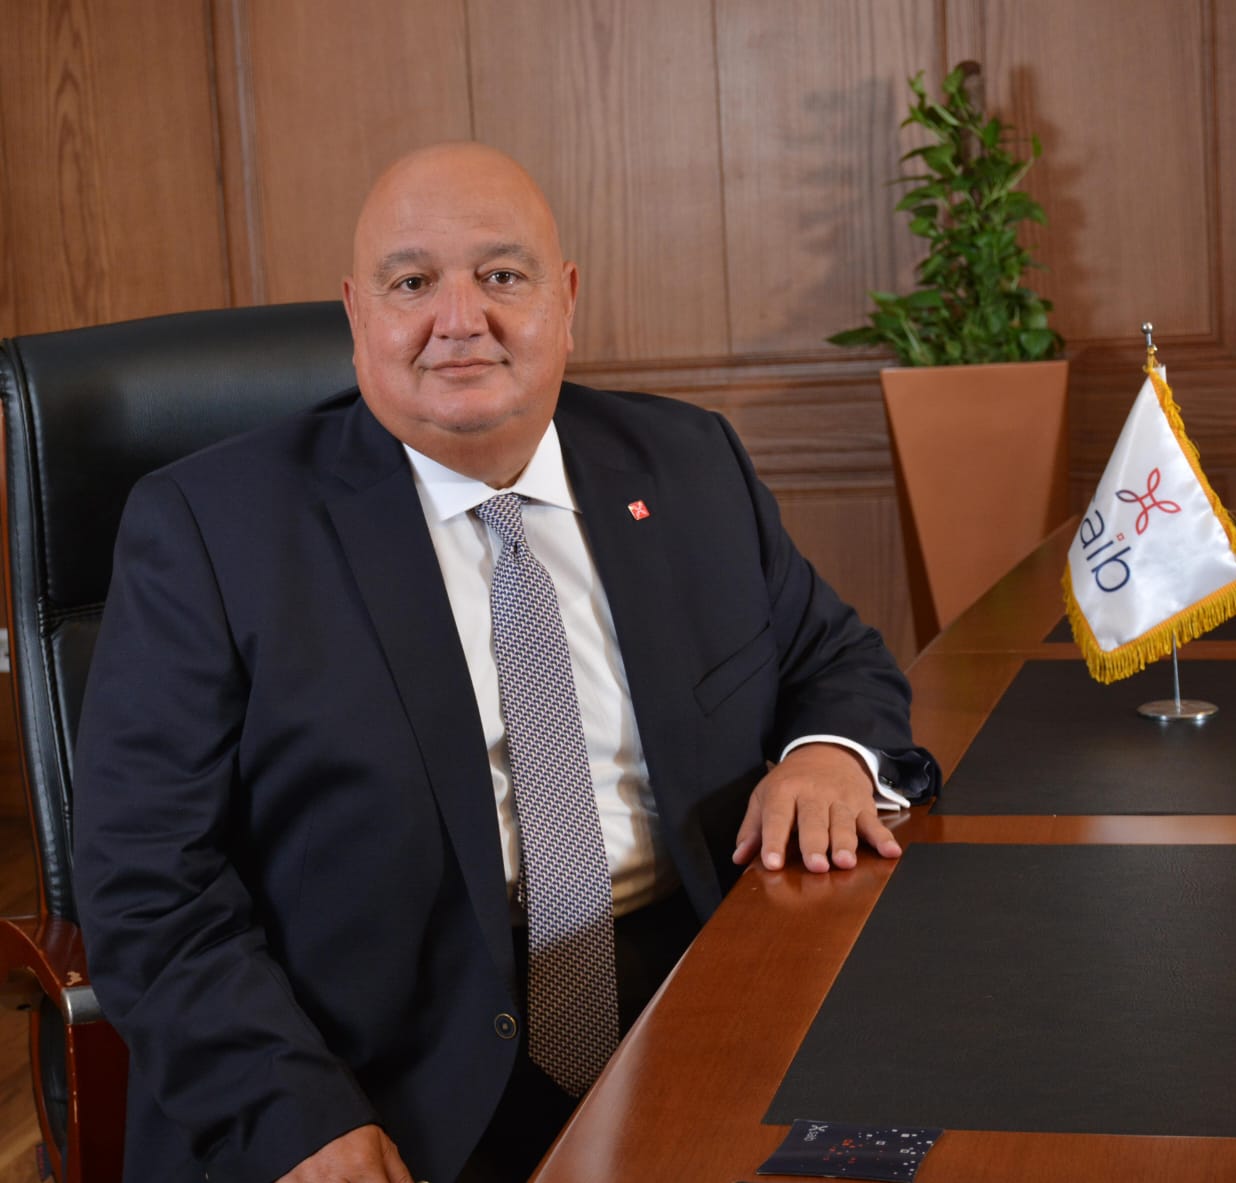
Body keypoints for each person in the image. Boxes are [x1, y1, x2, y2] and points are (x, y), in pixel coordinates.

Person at [73, 142, 937, 1183]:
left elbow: (833, 657)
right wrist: (295, 1117)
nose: (459, 318)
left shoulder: (687, 463)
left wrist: (827, 755)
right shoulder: (213, 529)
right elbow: (145, 880)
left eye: (500, 275)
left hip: (697, 1007)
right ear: (356, 314)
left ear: (564, 300)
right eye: (411, 283)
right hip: (371, 1069)